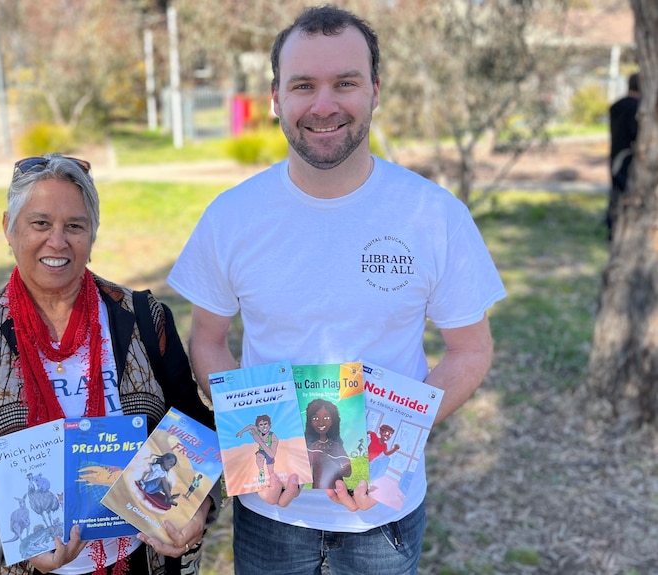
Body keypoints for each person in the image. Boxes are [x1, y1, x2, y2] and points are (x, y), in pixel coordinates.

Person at [166, 6, 506, 575]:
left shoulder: (434, 215)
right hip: (271, 511)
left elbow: (471, 351)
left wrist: (390, 449)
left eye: (345, 82)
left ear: (374, 90)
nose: (324, 105)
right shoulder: (231, 217)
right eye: (304, 85)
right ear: (276, 98)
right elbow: (208, 343)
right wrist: (256, 449)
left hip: (383, 518)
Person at [0, 154, 219, 575]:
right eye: (40, 223)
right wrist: (12, 541)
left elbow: (193, 425)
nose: (58, 241)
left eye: (75, 226)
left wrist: (197, 505)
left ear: (93, 234)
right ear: (9, 228)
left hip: (141, 559)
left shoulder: (144, 318)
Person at [607, 72, 640, 238]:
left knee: (616, 192)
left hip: (616, 155)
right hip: (629, 157)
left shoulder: (616, 105)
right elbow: (635, 132)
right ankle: (619, 230)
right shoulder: (636, 107)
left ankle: (611, 226)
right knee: (627, 194)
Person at [304, 399, 351, 490]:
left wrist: (331, 464)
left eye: (326, 418)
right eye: (315, 418)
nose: (321, 423)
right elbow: (303, 472)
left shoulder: (336, 446)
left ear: (333, 420)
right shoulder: (312, 447)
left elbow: (348, 472)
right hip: (318, 491)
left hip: (338, 491)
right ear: (310, 422)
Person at [236, 414, 279, 484]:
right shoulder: (258, 432)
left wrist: (259, 440)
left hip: (269, 453)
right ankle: (261, 471)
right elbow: (250, 426)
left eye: (265, 424)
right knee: (259, 456)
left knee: (270, 469)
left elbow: (272, 455)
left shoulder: (273, 436)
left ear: (270, 426)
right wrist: (241, 432)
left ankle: (272, 480)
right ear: (258, 427)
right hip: (262, 451)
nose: (264, 426)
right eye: (261, 425)